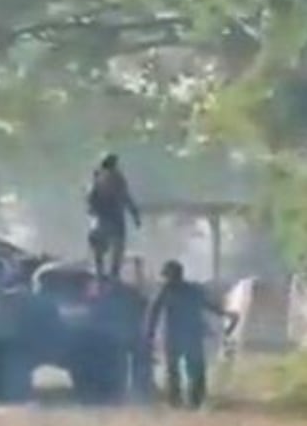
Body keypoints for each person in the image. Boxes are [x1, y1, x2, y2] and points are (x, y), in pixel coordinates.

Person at [144, 260, 239, 409]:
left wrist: (225, 314)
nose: (167, 279)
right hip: (179, 335)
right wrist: (149, 334)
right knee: (178, 370)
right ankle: (180, 400)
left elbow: (208, 305)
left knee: (191, 369)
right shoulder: (177, 291)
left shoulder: (173, 291)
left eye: (168, 276)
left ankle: (191, 400)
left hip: (184, 334)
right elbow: (154, 313)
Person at [87, 154, 141, 279]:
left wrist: (92, 211)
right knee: (117, 249)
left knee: (99, 251)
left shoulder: (97, 179)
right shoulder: (117, 178)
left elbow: (90, 202)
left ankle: (100, 273)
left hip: (99, 220)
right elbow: (126, 198)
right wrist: (135, 215)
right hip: (114, 219)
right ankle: (112, 274)